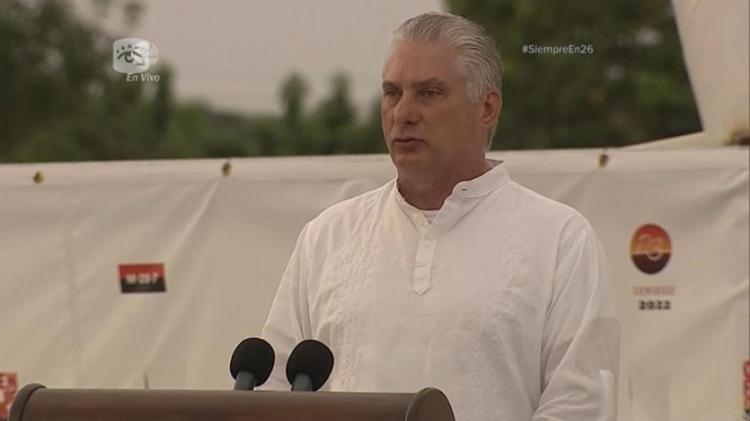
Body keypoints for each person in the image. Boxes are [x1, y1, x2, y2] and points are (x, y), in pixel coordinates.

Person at [261, 11, 620, 421]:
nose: (403, 113)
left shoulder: (560, 239)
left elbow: (580, 403)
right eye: (392, 93)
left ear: (486, 108)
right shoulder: (327, 236)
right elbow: (276, 391)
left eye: (428, 93)